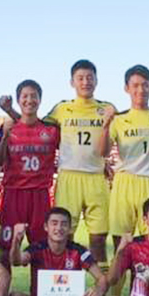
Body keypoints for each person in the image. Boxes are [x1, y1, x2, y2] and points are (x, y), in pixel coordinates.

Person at [42, 60, 115, 275]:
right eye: (81, 78)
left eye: (90, 77)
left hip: (95, 178)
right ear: (72, 82)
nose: (86, 82)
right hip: (69, 178)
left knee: (99, 239)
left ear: (97, 80)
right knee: (64, 238)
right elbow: (37, 128)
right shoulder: (61, 108)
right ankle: (67, 293)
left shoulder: (108, 108)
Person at [98, 65, 149, 267]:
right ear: (126, 88)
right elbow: (103, 152)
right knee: (121, 245)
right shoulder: (118, 119)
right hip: (124, 182)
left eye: (145, 85)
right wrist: (105, 125)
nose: (140, 90)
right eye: (135, 85)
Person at [0, 79, 60, 265]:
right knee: (5, 249)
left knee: (41, 249)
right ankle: (3, 293)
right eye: (25, 96)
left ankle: (37, 293)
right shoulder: (9, 128)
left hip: (40, 195)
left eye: (33, 96)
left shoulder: (51, 130)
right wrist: (5, 137)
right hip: (13, 194)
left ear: (40, 100)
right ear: (18, 100)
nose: (29, 100)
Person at [7, 207, 108, 296]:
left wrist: (97, 290)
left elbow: (101, 278)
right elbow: (16, 261)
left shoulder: (78, 251)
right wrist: (16, 241)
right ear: (46, 227)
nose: (59, 228)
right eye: (54, 224)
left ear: (70, 229)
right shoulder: (37, 248)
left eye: (64, 224)